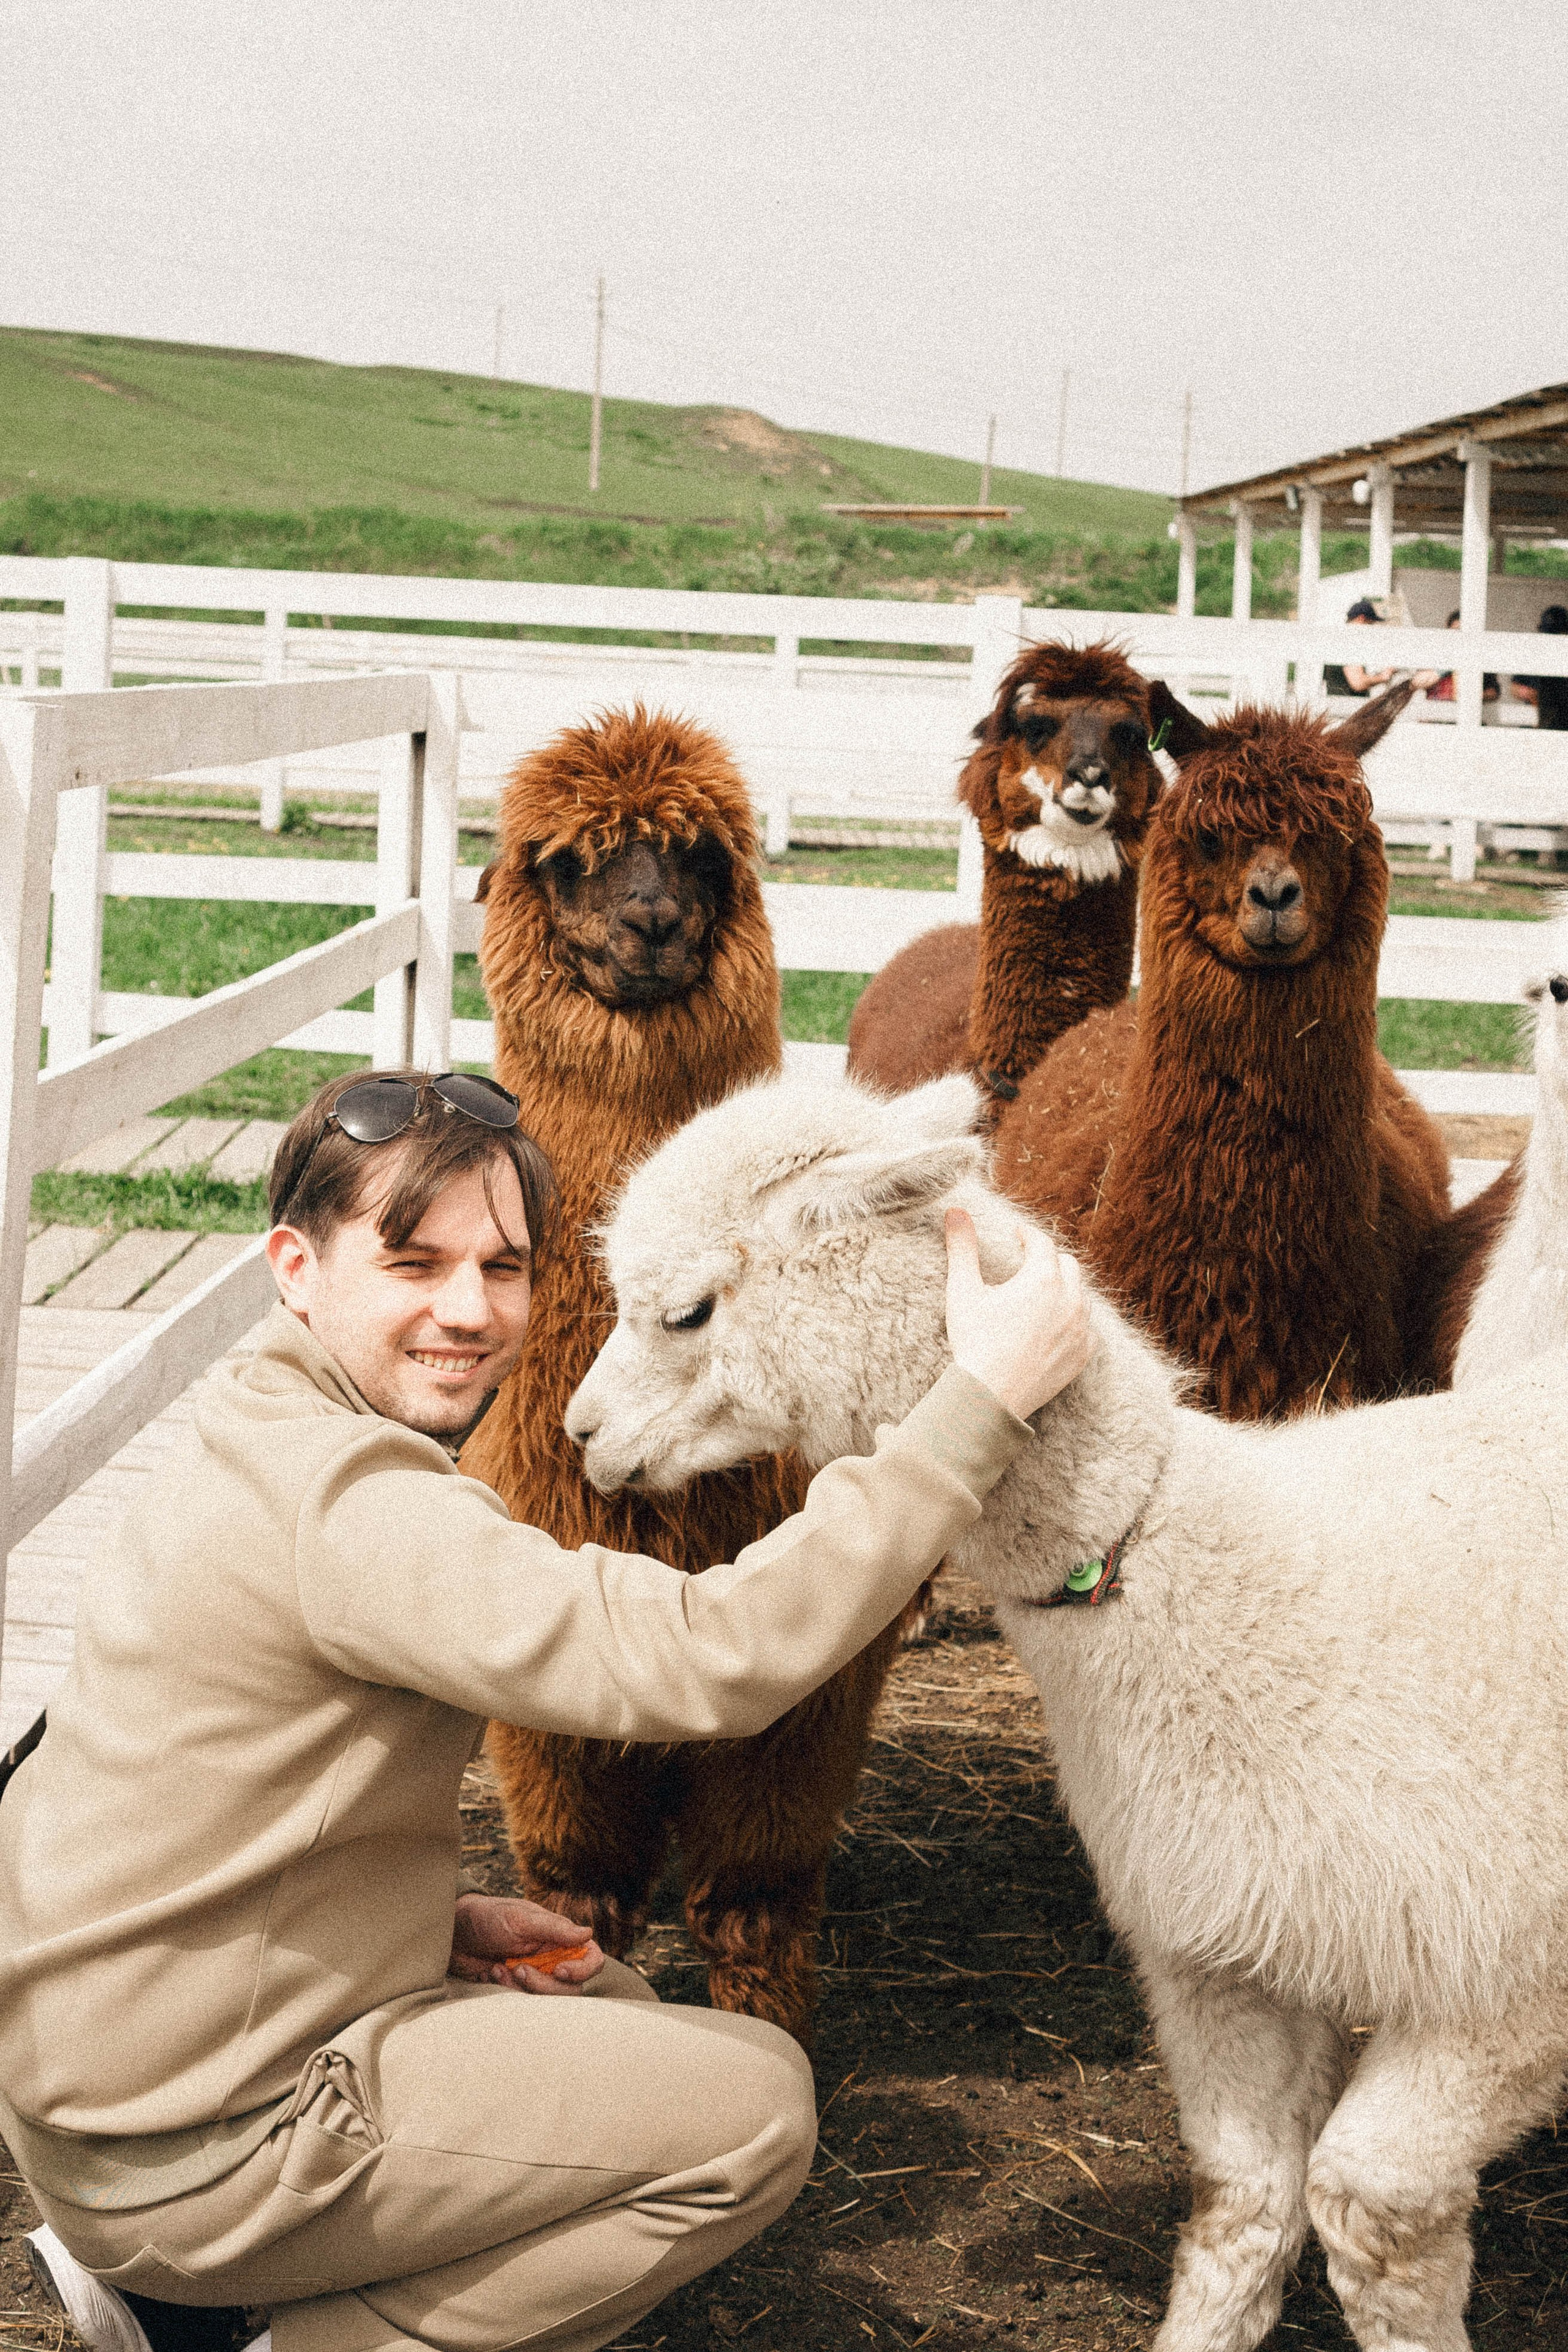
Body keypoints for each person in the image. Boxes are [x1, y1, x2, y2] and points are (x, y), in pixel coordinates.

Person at [0, 1068, 1090, 2352]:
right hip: (185, 2148)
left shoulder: (259, 1427)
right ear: (296, 1266)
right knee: (752, 2113)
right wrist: (970, 1414)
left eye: (504, 1267)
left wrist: (403, 1923)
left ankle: (191, 2287)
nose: (469, 1310)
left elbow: (165, 1789)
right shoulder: (351, 1507)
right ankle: (271, 2336)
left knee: (611, 2011)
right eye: (413, 1262)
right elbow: (707, 1657)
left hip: (109, 2095)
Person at [1422, 608, 1499, 706]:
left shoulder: (1480, 658)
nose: (1460, 638)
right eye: (1456, 632)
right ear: (1448, 629)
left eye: (1465, 634)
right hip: (1435, 714)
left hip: (1468, 714)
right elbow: (1418, 685)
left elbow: (1493, 692)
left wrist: (1470, 697)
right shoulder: (1435, 656)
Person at [1510, 603, 1568, 729]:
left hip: (1561, 723)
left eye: (1556, 634)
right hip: (1533, 722)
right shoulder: (1533, 653)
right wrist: (1526, 693)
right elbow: (1515, 686)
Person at [1324, 597, 1395, 698]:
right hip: (1349, 707)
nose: (1371, 629)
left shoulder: (1339, 640)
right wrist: (1383, 677)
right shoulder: (1350, 642)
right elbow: (1358, 683)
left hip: (1337, 702)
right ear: (1361, 618)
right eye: (1370, 624)